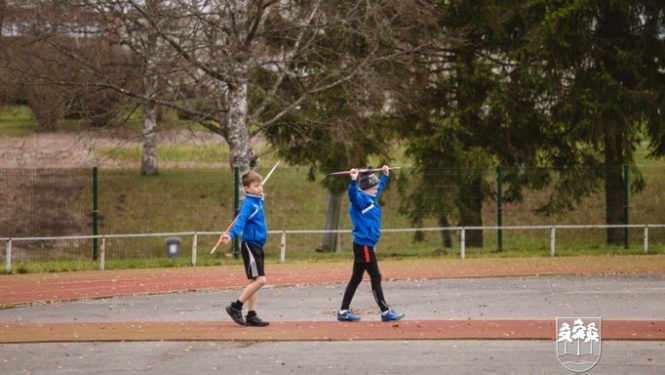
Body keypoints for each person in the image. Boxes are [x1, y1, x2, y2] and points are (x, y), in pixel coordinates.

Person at [337, 165, 405, 322]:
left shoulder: (370, 198)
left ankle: (343, 311)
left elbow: (378, 188)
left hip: (363, 245)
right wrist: (353, 180)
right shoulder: (359, 200)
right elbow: (352, 196)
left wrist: (385, 176)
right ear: (365, 188)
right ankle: (385, 312)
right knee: (376, 276)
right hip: (364, 246)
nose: (376, 190)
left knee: (356, 278)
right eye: (372, 187)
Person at [219, 170, 270, 327]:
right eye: (256, 186)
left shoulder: (257, 201)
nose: (260, 188)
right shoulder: (248, 204)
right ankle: (235, 307)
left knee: (253, 281)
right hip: (250, 245)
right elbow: (240, 221)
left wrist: (260, 197)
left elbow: (258, 202)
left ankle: (252, 315)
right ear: (247, 188)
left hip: (258, 245)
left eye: (260, 185)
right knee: (261, 280)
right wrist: (231, 234)